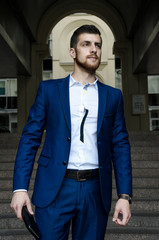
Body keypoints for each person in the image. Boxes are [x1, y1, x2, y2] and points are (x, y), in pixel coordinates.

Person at [11, 25, 132, 240]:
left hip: (95, 190)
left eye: (97, 45)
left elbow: (120, 145)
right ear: (73, 52)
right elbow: (30, 139)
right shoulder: (49, 91)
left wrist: (124, 196)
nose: (93, 49)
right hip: (54, 189)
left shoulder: (113, 96)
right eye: (86, 44)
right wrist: (20, 188)